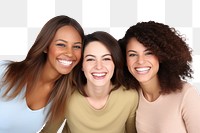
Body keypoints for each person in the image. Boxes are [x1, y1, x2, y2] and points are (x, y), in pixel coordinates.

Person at [40, 31, 138, 133]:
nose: (99, 66)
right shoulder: (67, 95)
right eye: (90, 59)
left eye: (106, 59)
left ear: (115, 63)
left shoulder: (130, 97)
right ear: (82, 65)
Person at [0, 15, 84, 133]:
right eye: (61, 44)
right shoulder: (4, 71)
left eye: (76, 46)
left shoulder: (63, 96)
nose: (70, 53)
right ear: (45, 47)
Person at [119, 21, 200, 133]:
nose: (140, 61)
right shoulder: (132, 97)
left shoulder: (186, 94)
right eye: (132, 54)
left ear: (161, 56)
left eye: (149, 53)